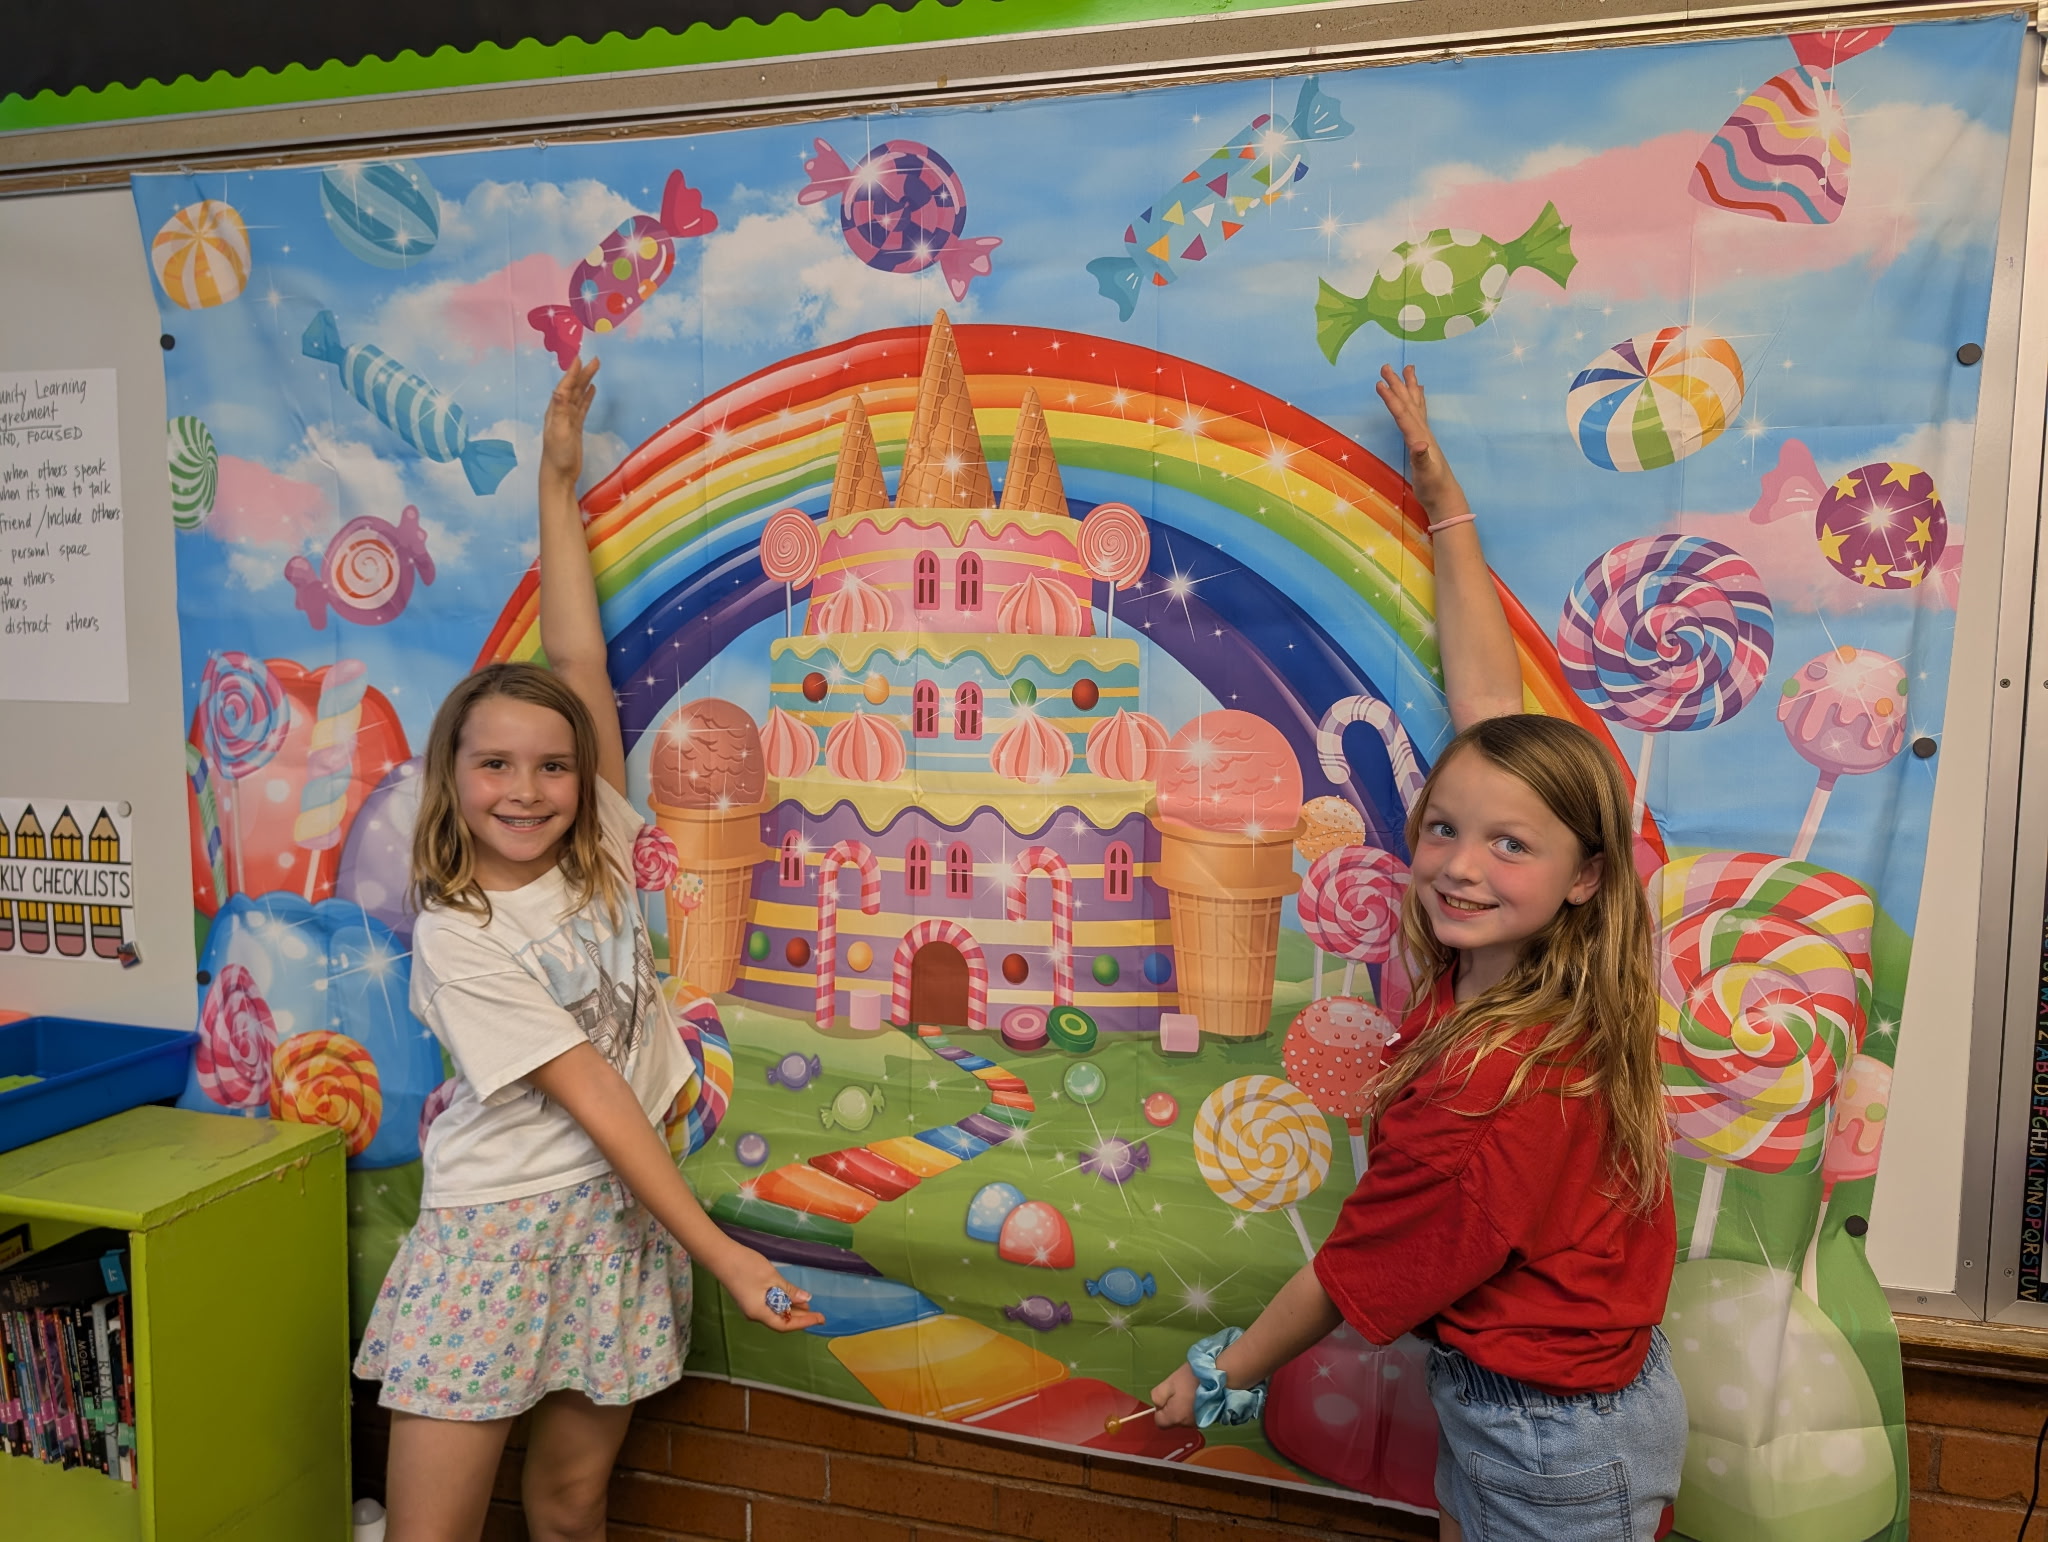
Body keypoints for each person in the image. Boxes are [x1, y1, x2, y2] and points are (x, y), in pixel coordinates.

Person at [1151, 366, 1684, 1541]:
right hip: (1561, 1416)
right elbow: (1492, 713)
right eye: (1443, 828)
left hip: (1548, 1443)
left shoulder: (1490, 1084)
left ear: (1582, 875)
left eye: (1507, 847)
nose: (1458, 865)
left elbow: (1352, 1274)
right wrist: (1445, 511)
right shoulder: (1552, 975)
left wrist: (1221, 1369)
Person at [354, 357, 821, 1542]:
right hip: (498, 1233)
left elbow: (575, 663)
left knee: (570, 1508)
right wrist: (719, 1255)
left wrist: (556, 490)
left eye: (552, 765)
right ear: (450, 783)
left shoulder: (604, 841)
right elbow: (595, 1091)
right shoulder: (460, 938)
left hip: (614, 1220)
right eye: (495, 766)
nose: (529, 790)